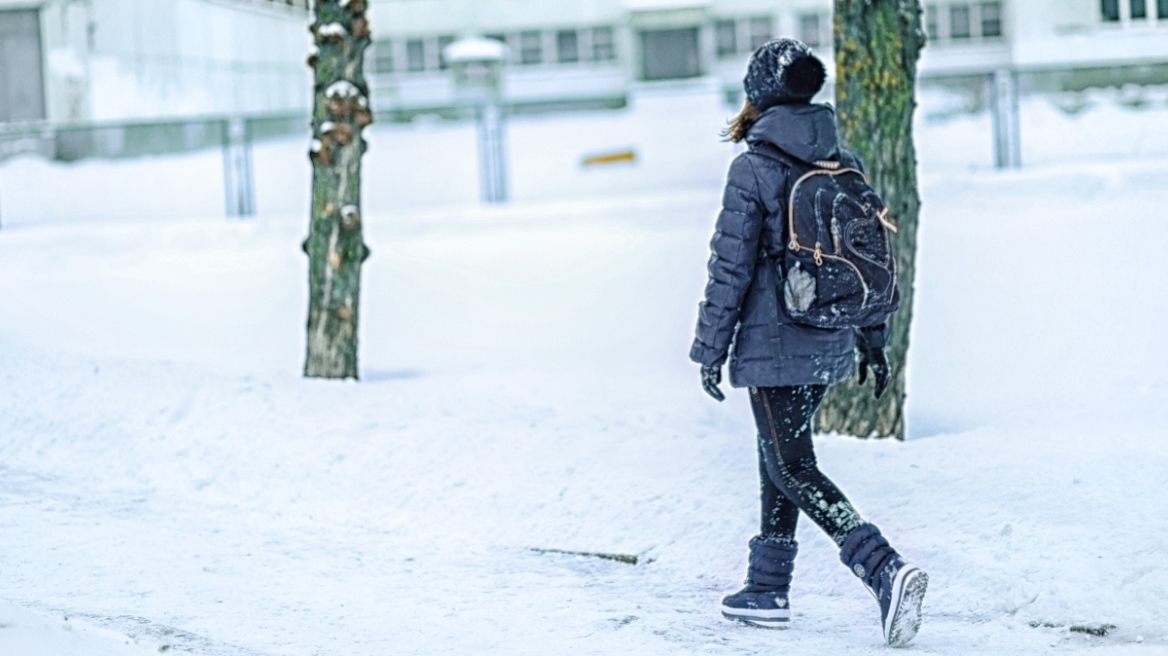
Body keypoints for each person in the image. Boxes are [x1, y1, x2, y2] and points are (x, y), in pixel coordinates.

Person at [690, 38, 928, 648]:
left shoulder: (754, 167)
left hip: (774, 345)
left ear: (760, 96)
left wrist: (709, 348)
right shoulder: (839, 158)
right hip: (830, 340)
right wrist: (872, 335)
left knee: (792, 463)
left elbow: (729, 270)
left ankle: (883, 568)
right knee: (781, 457)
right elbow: (868, 258)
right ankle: (767, 588)